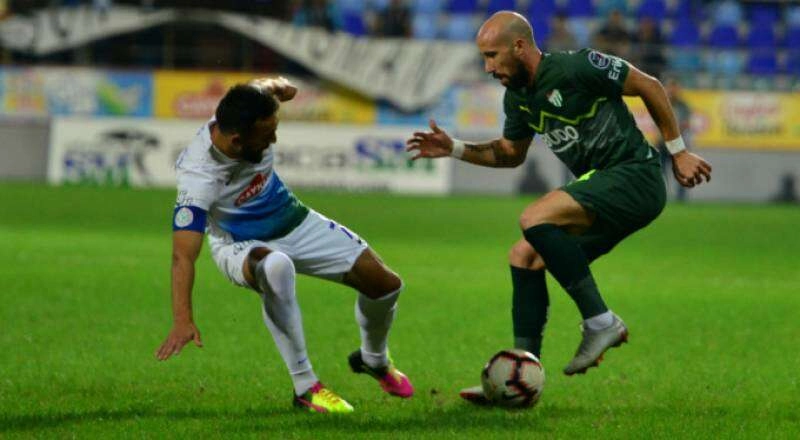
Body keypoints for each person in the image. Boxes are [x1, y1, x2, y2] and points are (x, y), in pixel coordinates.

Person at [406, 11, 711, 403]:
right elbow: (510, 153)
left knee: (534, 217)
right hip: (604, 188)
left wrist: (678, 151)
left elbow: (648, 85)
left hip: (634, 175)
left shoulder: (576, 66)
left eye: (492, 55)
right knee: (524, 257)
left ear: (519, 46)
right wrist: (456, 148)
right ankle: (520, 376)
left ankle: (601, 321)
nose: (488, 67)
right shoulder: (518, 98)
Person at [155, 77, 414, 413]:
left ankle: (374, 359)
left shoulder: (250, 107)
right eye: (267, 136)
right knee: (277, 266)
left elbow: (267, 85)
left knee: (386, 285)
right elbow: (183, 256)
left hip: (294, 220)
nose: (274, 140)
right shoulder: (198, 176)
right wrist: (182, 320)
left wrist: (282, 85)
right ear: (237, 141)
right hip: (239, 243)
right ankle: (306, 386)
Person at [658, 77, 692, 201]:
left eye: (674, 88)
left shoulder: (684, 106)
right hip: (662, 143)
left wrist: (673, 132)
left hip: (678, 144)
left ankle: (681, 197)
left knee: (681, 171)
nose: (672, 90)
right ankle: (662, 196)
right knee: (661, 172)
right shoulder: (661, 103)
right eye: (670, 88)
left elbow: (686, 124)